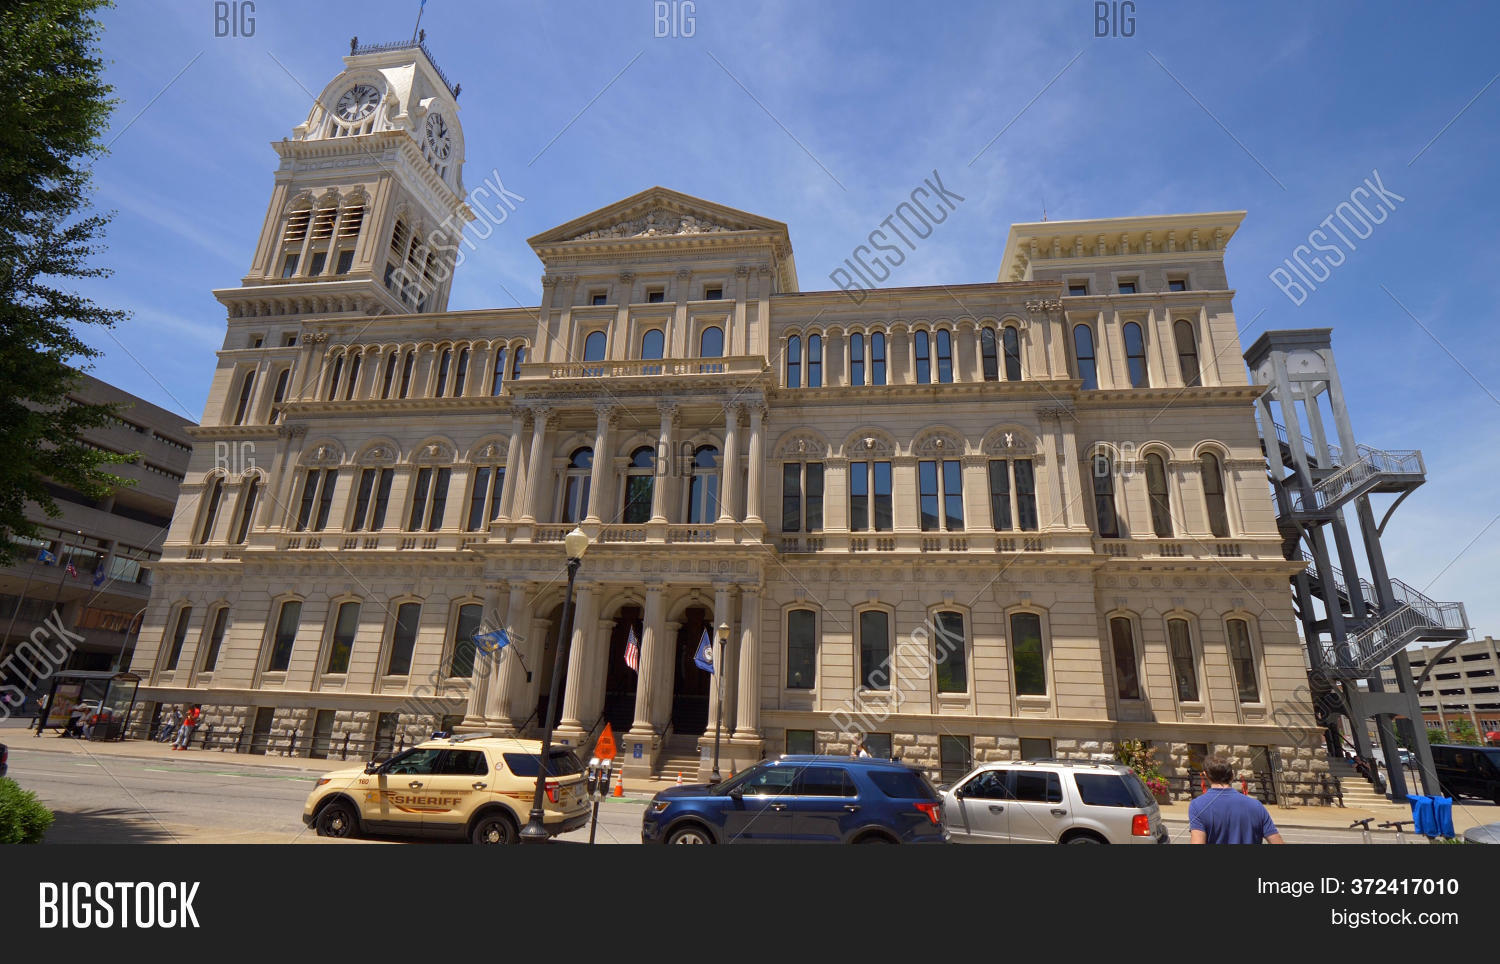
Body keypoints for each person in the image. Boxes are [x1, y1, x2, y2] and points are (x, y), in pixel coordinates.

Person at [1188, 755, 1284, 844]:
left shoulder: (1197, 805)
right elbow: (1276, 841)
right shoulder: (1256, 805)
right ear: (1232, 776)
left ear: (1205, 775)